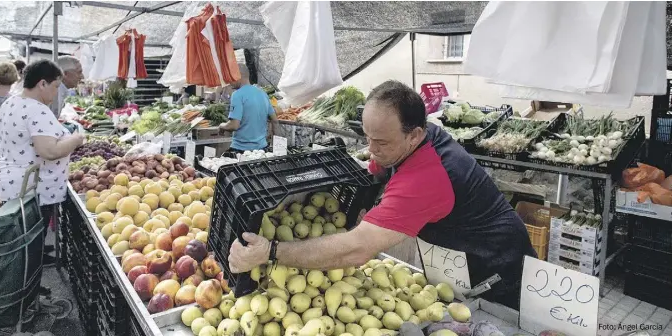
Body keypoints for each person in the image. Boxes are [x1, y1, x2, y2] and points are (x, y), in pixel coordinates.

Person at [228, 80, 536, 309]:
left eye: (381, 143)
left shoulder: (428, 177)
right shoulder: (415, 138)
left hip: (498, 273)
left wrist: (271, 251)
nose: (371, 150)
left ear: (414, 135)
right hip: (459, 261)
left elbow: (357, 250)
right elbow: (377, 167)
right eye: (367, 138)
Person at [0, 60, 85, 266]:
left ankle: (25, 281)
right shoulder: (37, 110)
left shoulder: (10, 103)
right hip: (30, 189)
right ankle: (28, 293)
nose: (56, 92)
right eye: (55, 86)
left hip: (11, 182)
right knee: (28, 245)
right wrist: (76, 139)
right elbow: (49, 151)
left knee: (18, 242)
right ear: (42, 83)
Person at [219, 64, 278, 154]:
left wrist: (222, 126)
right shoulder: (263, 94)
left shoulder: (237, 95)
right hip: (262, 150)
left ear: (237, 75)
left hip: (241, 151)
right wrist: (276, 147)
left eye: (230, 77)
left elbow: (234, 125)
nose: (228, 81)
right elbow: (275, 120)